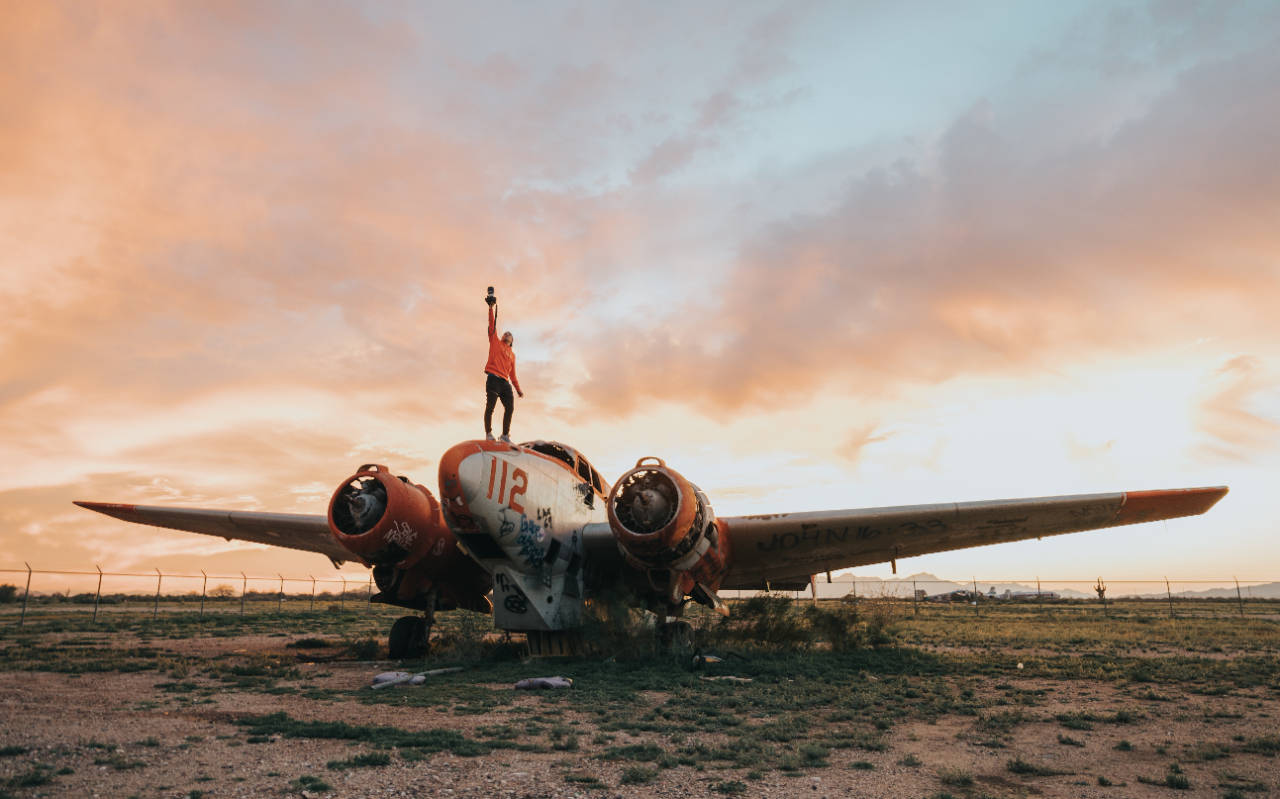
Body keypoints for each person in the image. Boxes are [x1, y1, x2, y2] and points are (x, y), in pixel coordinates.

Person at [483, 291, 523, 443]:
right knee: (490, 407)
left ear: (512, 341)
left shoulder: (512, 355)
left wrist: (518, 389)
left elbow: (513, 375)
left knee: (510, 408)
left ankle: (505, 435)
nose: (507, 334)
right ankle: (488, 434)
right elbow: (492, 324)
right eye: (505, 333)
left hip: (505, 383)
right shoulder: (495, 341)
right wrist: (491, 308)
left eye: (509, 334)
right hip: (493, 378)